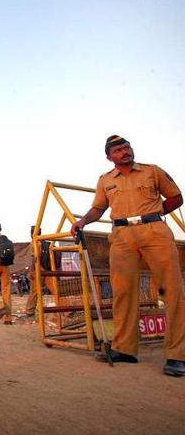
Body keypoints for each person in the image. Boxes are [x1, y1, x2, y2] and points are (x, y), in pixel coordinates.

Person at [71, 135, 185, 376]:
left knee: (171, 291)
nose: (125, 152)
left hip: (154, 231)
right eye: (118, 150)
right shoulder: (105, 181)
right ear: (109, 157)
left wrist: (153, 213)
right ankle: (125, 349)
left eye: (127, 147)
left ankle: (177, 356)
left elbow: (176, 198)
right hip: (122, 235)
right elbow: (99, 208)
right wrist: (82, 221)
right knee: (122, 292)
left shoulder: (152, 172)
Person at [25, 226, 51, 317]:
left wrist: (32, 270)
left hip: (38, 269)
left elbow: (35, 258)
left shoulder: (35, 243)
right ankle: (66, 310)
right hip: (46, 269)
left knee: (34, 291)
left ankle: (29, 311)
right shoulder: (43, 242)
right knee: (54, 289)